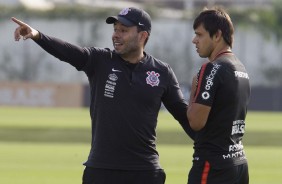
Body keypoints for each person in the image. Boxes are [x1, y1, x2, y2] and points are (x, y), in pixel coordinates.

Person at [12, 7, 195, 184]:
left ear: (142, 35)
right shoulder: (100, 60)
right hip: (101, 170)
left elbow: (184, 116)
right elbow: (68, 52)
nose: (116, 35)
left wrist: (214, 145)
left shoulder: (162, 72)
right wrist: (37, 35)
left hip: (145, 172)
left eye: (123, 30)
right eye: (115, 29)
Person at [186, 7, 250, 184]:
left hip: (213, 166)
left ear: (217, 35)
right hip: (238, 163)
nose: (194, 40)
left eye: (199, 35)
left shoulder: (212, 68)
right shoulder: (241, 68)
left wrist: (194, 88)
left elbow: (196, 122)